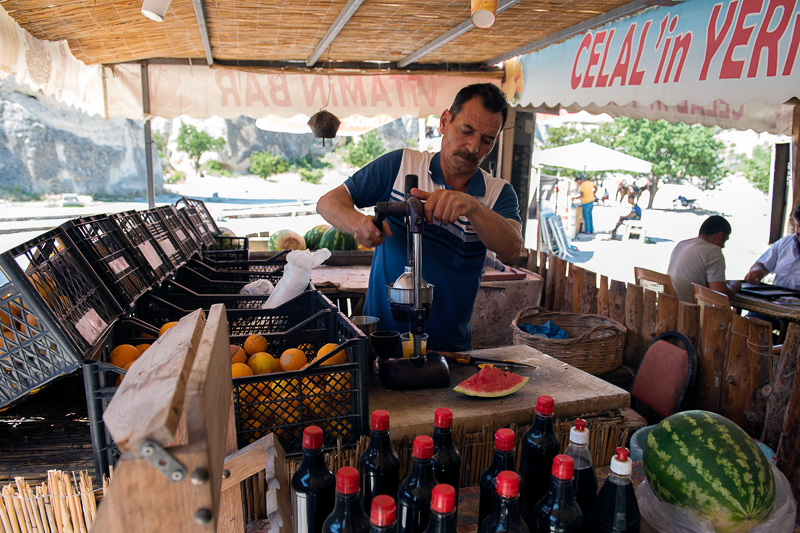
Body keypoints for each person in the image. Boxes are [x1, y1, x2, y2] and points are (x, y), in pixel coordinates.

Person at [316, 83, 523, 352]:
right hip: (380, 342)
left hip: (449, 350)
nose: (473, 147)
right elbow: (328, 202)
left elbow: (513, 247)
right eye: (466, 130)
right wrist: (357, 223)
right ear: (445, 121)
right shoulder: (400, 165)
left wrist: (472, 206)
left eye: (487, 140)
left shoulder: (498, 194)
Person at [666, 215, 742, 303]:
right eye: (724, 240)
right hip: (692, 310)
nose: (723, 246)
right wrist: (734, 287)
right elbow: (720, 296)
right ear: (719, 236)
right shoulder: (713, 252)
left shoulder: (682, 245)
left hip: (671, 306)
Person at [744, 204, 800, 290]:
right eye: (797, 225)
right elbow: (763, 265)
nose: (799, 231)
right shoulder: (784, 243)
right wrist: (757, 271)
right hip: (777, 300)